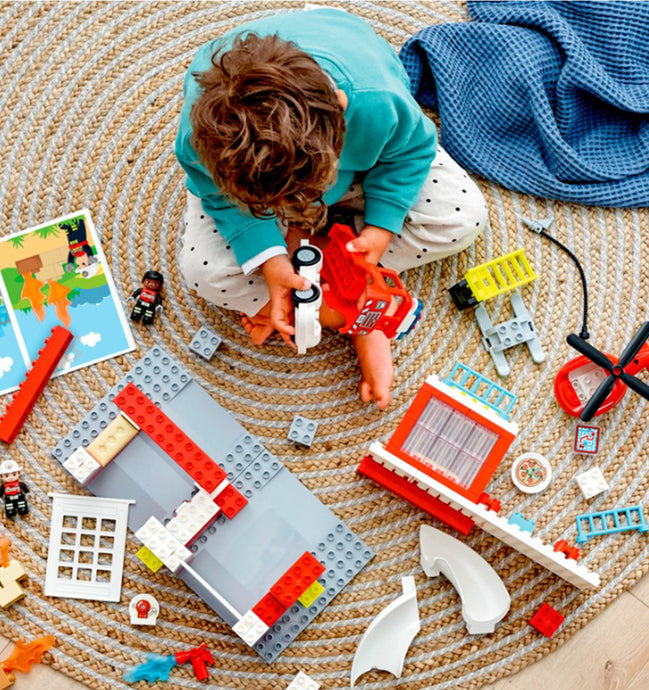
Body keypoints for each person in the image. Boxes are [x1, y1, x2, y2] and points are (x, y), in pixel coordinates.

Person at [175, 8, 487, 409]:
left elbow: (410, 153)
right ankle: (347, 304)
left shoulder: (377, 100)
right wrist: (270, 260)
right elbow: (217, 196)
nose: (305, 207)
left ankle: (341, 293)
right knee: (202, 275)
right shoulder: (199, 140)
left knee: (464, 216)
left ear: (339, 107)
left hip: (361, 170)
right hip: (256, 198)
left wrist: (380, 230)